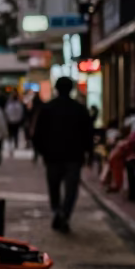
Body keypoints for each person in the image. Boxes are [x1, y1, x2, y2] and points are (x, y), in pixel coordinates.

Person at [32, 77, 92, 233]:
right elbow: (88, 134)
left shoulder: (47, 108)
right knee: (71, 189)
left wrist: (42, 152)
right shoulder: (79, 109)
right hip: (74, 156)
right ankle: (65, 213)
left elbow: (37, 134)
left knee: (54, 187)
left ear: (56, 89)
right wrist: (89, 153)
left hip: (53, 156)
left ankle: (57, 211)